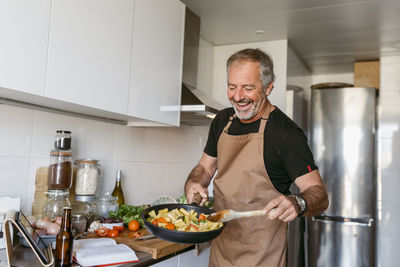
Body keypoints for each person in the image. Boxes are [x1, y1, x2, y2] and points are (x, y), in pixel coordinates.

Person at [184, 48, 329, 267]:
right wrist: (194, 182)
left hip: (263, 259)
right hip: (221, 254)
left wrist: (299, 202)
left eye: (248, 88)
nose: (238, 96)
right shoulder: (222, 120)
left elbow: (320, 195)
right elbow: (204, 169)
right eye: (232, 87)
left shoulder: (286, 134)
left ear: (269, 87)